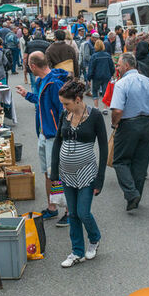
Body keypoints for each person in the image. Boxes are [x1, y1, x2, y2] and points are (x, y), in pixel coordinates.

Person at [50, 80, 108, 268]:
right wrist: (54, 170)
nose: (64, 107)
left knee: (83, 212)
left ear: (77, 99)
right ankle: (77, 252)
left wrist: (100, 178)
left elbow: (104, 147)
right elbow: (58, 142)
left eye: (66, 103)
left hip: (87, 172)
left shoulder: (95, 116)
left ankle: (94, 238)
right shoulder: (64, 115)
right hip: (66, 173)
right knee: (72, 213)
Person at [15, 52, 70, 226]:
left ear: (32, 66)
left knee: (59, 173)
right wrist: (27, 95)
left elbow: (63, 110)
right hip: (45, 134)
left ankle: (70, 211)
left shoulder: (54, 83)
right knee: (48, 172)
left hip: (53, 135)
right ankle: (52, 207)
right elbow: (41, 103)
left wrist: (60, 134)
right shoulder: (44, 81)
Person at [109, 53, 149, 211]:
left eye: (119, 65)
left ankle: (131, 193)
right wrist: (148, 123)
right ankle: (135, 196)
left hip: (128, 123)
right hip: (147, 123)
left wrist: (114, 123)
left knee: (120, 160)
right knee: (140, 163)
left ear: (127, 66)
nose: (118, 67)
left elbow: (117, 110)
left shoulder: (122, 83)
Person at [88, 39, 115, 114]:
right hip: (106, 76)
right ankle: (105, 108)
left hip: (96, 77)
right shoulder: (107, 55)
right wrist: (112, 74)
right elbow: (112, 67)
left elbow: (91, 68)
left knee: (95, 91)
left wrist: (89, 78)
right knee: (105, 92)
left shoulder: (94, 56)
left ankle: (96, 107)